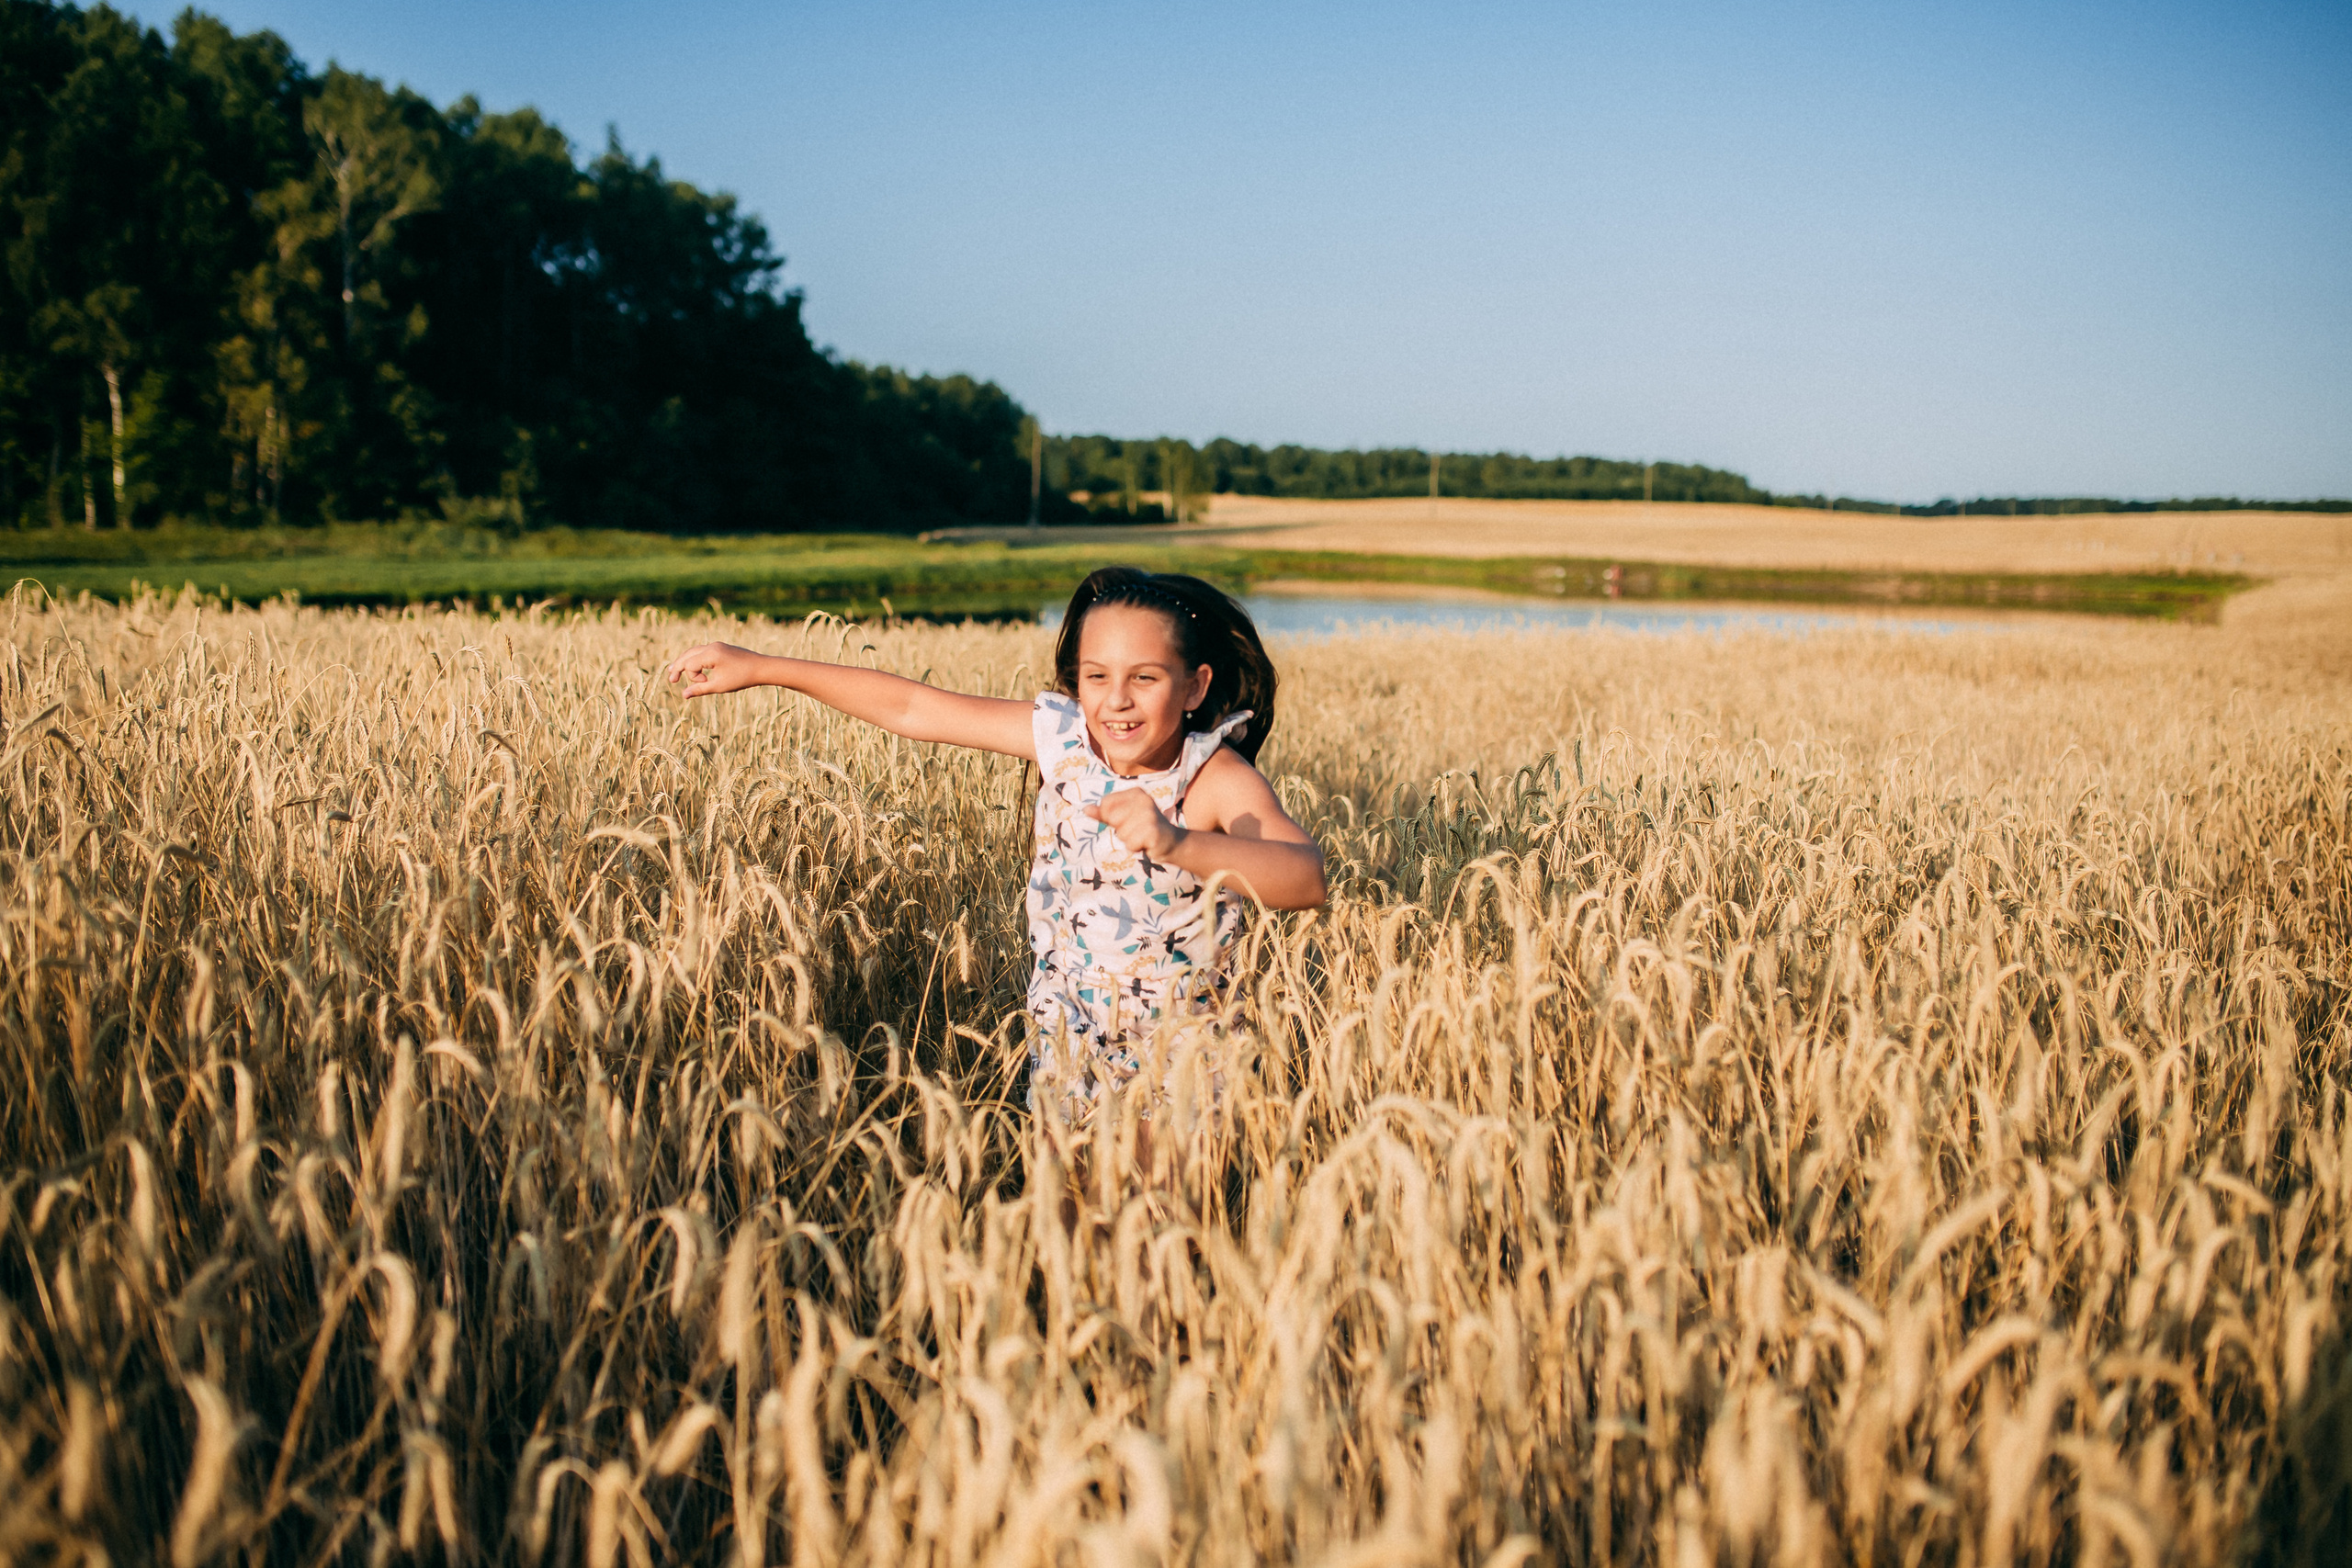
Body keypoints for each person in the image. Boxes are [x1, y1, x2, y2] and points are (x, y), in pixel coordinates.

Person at [663, 567, 1327, 1115]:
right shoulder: (1064, 739)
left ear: (1194, 686)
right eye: (1097, 676)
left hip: (1174, 1060)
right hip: (1065, 1035)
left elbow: (1304, 877)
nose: (1116, 701)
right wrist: (760, 667)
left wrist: (1179, 843)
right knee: (1067, 1222)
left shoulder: (1210, 775)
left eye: (1144, 678)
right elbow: (913, 709)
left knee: (1151, 1232)